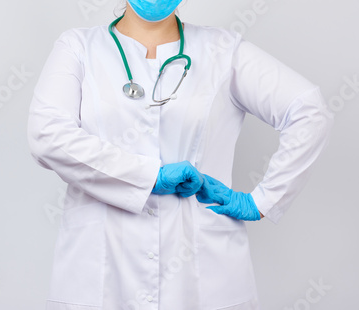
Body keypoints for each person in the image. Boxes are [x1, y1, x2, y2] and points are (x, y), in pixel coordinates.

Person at [27, 1, 333, 309]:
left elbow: (309, 110)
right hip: (100, 269)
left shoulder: (224, 50)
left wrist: (264, 201)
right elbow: (47, 135)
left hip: (203, 269)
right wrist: (149, 177)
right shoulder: (78, 47)